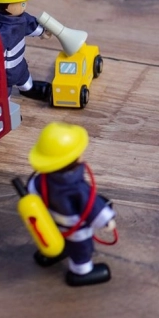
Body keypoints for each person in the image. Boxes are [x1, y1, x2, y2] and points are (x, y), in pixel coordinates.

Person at [27, 122, 116, 286]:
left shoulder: (42, 178)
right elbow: (92, 205)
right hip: (75, 229)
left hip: (51, 223)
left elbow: (31, 191)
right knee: (81, 250)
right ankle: (81, 272)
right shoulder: (77, 187)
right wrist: (107, 220)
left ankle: (52, 253)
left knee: (53, 239)